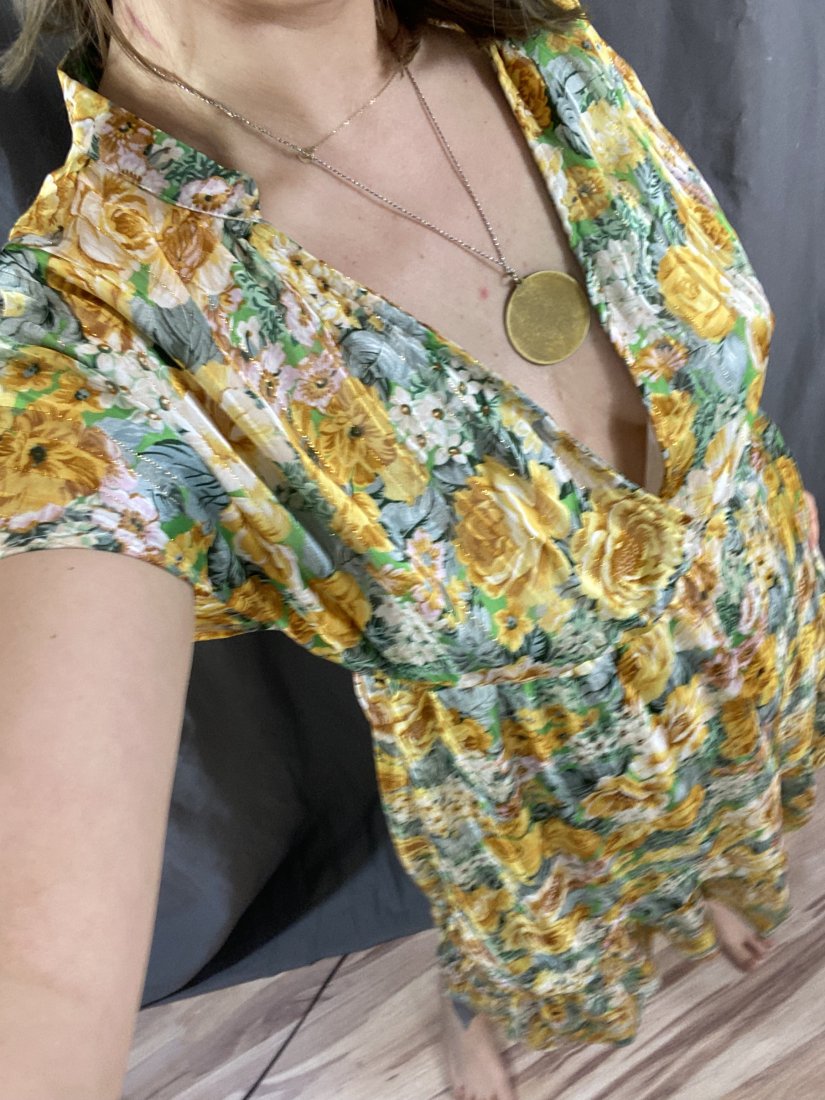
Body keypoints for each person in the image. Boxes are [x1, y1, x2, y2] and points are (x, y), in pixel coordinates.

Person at [0, 1, 823, 1098]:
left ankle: (714, 875)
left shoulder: (534, 37)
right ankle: (473, 1005)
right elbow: (38, 975)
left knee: (730, 803)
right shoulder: (88, 337)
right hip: (534, 774)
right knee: (524, 922)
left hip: (752, 618)